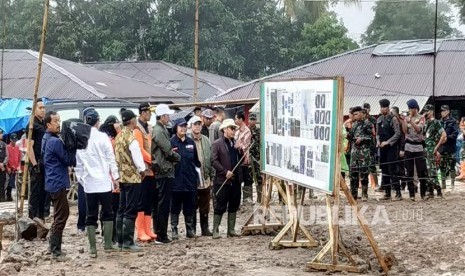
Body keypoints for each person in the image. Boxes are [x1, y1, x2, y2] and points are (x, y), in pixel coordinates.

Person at [75, 108, 120, 257]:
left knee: (91, 215)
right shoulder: (103, 137)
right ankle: (107, 244)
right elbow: (110, 158)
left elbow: (78, 164)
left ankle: (92, 248)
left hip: (89, 184)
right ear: (98, 121)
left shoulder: (81, 138)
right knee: (108, 213)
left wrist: (82, 179)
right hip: (104, 182)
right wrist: (116, 177)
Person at [42, 111, 76, 261]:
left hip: (52, 181)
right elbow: (68, 159)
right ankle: (56, 250)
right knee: (62, 215)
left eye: (59, 120)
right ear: (48, 124)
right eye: (55, 121)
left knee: (58, 214)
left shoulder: (46, 138)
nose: (58, 123)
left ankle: (52, 246)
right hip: (57, 181)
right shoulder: (54, 141)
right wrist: (73, 146)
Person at [114, 110, 146, 251]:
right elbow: (137, 157)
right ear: (132, 121)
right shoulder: (131, 138)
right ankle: (128, 241)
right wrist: (142, 169)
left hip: (122, 177)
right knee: (130, 209)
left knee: (121, 209)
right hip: (132, 177)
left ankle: (120, 240)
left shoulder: (119, 137)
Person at [152, 104, 181, 244]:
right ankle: (161, 234)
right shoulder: (159, 131)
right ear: (162, 116)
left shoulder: (160, 129)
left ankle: (160, 233)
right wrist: (177, 157)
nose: (169, 117)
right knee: (163, 203)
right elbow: (168, 150)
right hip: (164, 170)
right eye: (167, 115)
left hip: (163, 169)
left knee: (162, 202)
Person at [211, 119, 243, 239]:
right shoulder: (217, 144)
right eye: (231, 128)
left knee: (234, 204)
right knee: (220, 205)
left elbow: (241, 160)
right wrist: (225, 172)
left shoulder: (235, 143)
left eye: (234, 128)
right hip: (222, 180)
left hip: (235, 180)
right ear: (225, 129)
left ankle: (231, 230)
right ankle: (215, 230)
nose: (234, 131)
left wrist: (240, 149)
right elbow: (213, 161)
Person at [170, 118, 201, 239]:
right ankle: (174, 230)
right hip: (175, 181)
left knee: (189, 207)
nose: (183, 128)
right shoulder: (171, 142)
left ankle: (189, 229)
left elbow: (197, 162)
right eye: (180, 126)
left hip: (189, 181)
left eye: (185, 126)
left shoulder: (190, 142)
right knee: (175, 208)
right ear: (176, 128)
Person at [133, 103, 157, 242]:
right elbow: (140, 150)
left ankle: (148, 229)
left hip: (151, 170)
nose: (150, 114)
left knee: (149, 200)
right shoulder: (137, 129)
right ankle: (141, 230)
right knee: (141, 200)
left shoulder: (149, 128)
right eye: (149, 112)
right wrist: (152, 160)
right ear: (143, 112)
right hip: (143, 169)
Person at [188, 116, 214, 236]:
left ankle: (205, 228)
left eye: (199, 124)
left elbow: (211, 159)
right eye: (195, 124)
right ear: (191, 126)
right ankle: (192, 228)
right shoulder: (187, 140)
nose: (197, 126)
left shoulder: (206, 140)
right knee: (192, 204)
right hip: (192, 179)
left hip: (205, 176)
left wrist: (211, 175)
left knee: (205, 204)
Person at [99, 115, 122, 243]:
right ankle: (112, 235)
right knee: (113, 208)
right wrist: (119, 132)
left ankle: (107, 232)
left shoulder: (103, 137)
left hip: (107, 177)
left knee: (107, 207)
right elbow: (120, 147)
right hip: (112, 177)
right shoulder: (111, 140)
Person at [376, 99, 401, 200]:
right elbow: (377, 133)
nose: (383, 109)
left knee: (392, 170)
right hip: (382, 148)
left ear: (388, 108)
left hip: (391, 147)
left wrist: (388, 142)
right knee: (384, 169)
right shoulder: (379, 119)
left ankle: (398, 193)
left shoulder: (393, 119)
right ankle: (387, 192)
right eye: (381, 107)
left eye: (385, 107)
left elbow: (398, 133)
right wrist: (377, 141)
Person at [347, 106, 374, 201]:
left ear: (362, 113)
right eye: (353, 114)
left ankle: (364, 194)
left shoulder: (367, 124)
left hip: (364, 153)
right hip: (354, 153)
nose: (355, 116)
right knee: (353, 174)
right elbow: (350, 137)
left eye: (356, 114)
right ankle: (353, 195)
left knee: (363, 174)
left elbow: (371, 137)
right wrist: (348, 131)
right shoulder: (354, 124)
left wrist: (362, 138)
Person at [403, 99, 428, 201]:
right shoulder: (407, 118)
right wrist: (404, 121)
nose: (409, 110)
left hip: (418, 146)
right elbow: (405, 131)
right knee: (409, 171)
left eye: (411, 108)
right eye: (409, 109)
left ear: (415, 108)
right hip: (408, 146)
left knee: (421, 170)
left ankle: (423, 193)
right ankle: (412, 194)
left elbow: (419, 129)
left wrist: (411, 122)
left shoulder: (421, 117)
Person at [28, 99, 47, 222]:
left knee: (44, 192)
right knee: (35, 191)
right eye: (40, 107)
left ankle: (41, 216)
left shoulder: (44, 123)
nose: (43, 110)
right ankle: (33, 217)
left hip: (45, 161)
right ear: (34, 109)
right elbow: (29, 146)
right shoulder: (32, 125)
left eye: (43, 107)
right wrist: (34, 164)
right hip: (36, 162)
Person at [421, 104, 446, 198]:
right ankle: (431, 191)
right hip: (425, 148)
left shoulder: (436, 122)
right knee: (427, 170)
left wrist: (436, 147)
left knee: (431, 170)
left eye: (427, 111)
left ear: (431, 111)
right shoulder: (426, 123)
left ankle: (438, 190)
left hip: (432, 149)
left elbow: (443, 135)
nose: (425, 113)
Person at [234, 110, 253, 204]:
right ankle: (238, 199)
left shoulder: (247, 131)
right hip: (236, 159)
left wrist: (237, 145)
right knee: (238, 178)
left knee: (246, 178)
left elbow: (244, 145)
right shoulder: (236, 130)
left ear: (241, 119)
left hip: (244, 159)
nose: (235, 121)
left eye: (236, 119)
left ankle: (247, 199)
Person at [439, 105, 459, 189]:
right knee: (442, 166)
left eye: (444, 111)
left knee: (452, 166)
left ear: (448, 111)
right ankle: (443, 184)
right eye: (441, 111)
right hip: (442, 148)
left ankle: (452, 184)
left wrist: (447, 138)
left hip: (450, 147)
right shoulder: (439, 122)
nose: (442, 113)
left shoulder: (453, 121)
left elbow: (455, 133)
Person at [363, 103, 379, 189]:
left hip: (371, 145)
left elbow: (375, 131)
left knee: (372, 165)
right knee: (362, 166)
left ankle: (376, 184)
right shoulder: (360, 119)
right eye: (364, 108)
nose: (366, 110)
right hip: (362, 146)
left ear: (370, 109)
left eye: (367, 108)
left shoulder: (372, 119)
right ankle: (363, 185)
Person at [248, 113, 262, 203]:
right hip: (248, 158)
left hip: (257, 158)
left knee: (259, 178)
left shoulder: (259, 131)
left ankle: (260, 198)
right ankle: (249, 199)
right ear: (248, 120)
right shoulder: (246, 130)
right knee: (249, 179)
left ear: (256, 120)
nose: (252, 121)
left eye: (254, 119)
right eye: (251, 119)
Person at [6, 133, 20, 202]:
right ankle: (8, 195)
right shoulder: (7, 147)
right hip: (9, 168)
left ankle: (12, 195)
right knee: (9, 183)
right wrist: (8, 167)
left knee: (14, 182)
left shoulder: (17, 148)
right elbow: (7, 158)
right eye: (13, 140)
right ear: (10, 140)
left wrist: (18, 166)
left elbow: (19, 158)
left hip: (16, 168)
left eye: (15, 140)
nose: (14, 141)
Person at [0, 129, 9, 202]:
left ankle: (2, 197)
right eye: (0, 133)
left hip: (2, 166)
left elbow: (7, 155)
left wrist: (3, 163)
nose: (1, 135)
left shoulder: (4, 144)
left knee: (2, 182)